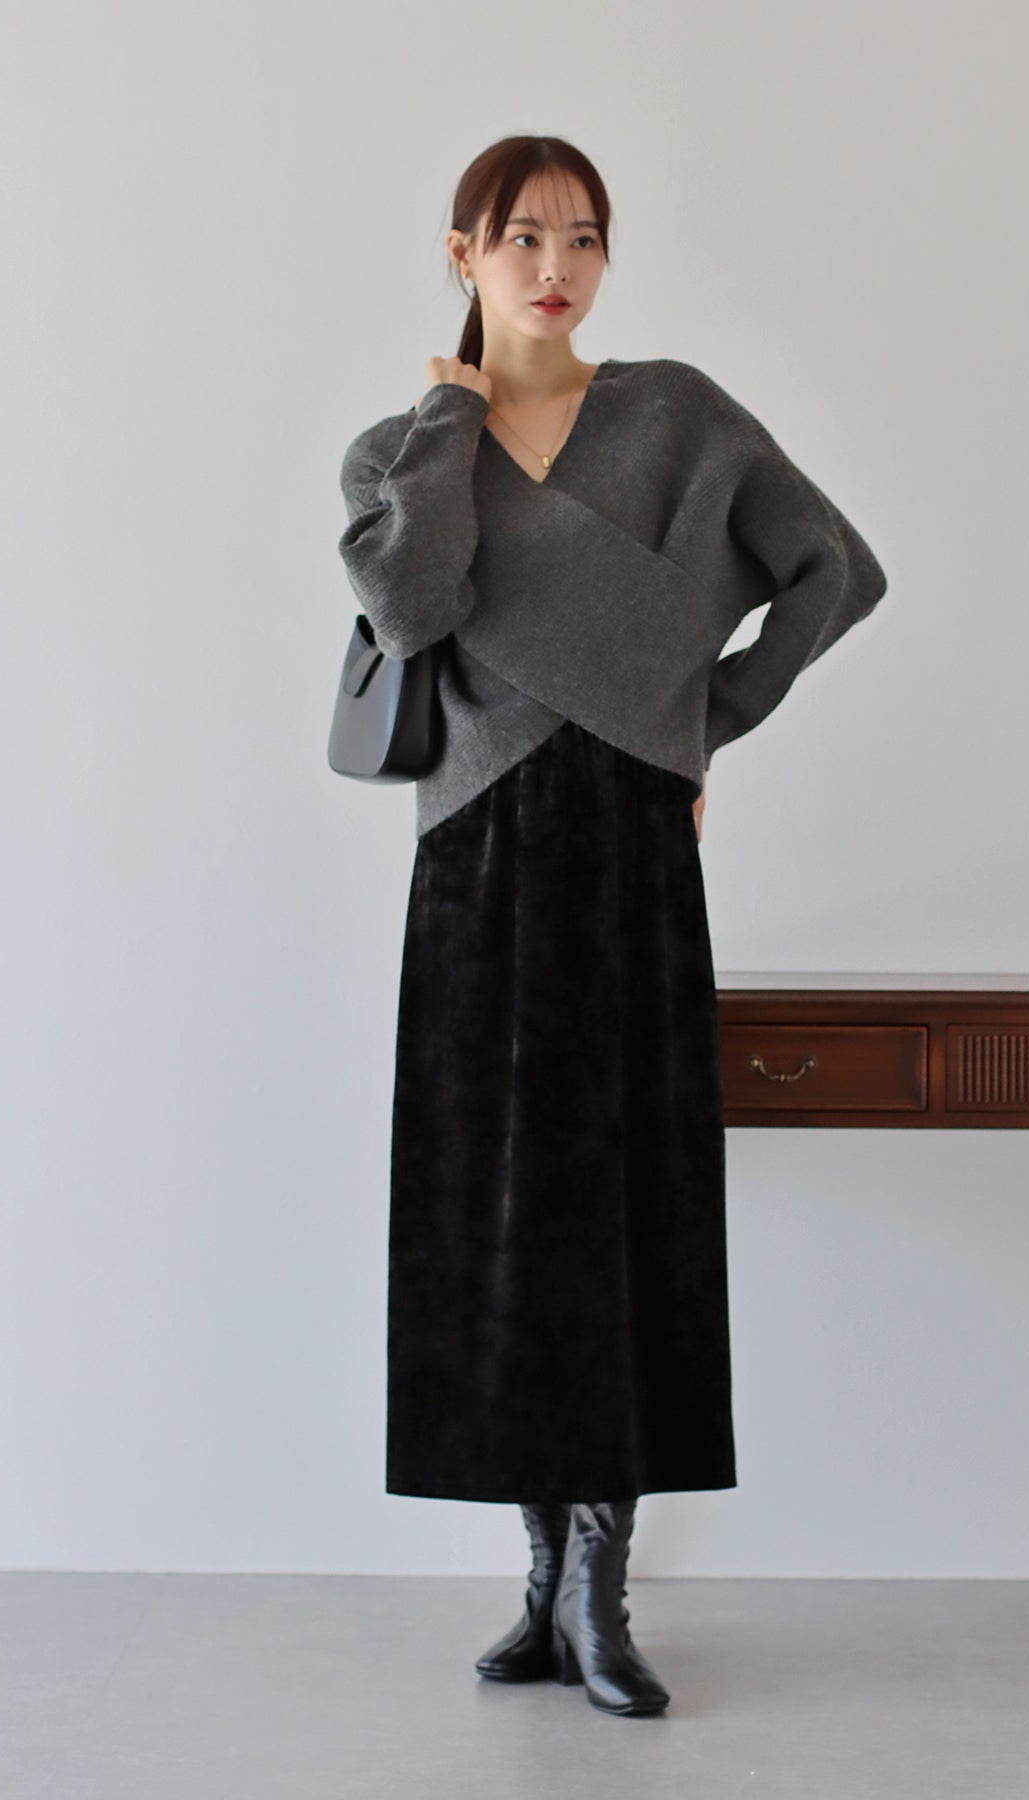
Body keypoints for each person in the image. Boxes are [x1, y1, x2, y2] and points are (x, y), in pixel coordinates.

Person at [337, 135, 889, 1719]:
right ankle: (535, 1579)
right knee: (491, 1210)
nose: (556, 265)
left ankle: (600, 1587)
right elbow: (411, 608)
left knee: (622, 1204)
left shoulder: (675, 419)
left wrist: (704, 722)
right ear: (463, 253)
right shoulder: (397, 449)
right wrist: (455, 413)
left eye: (583, 236)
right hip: (475, 855)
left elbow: (835, 571)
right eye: (522, 236)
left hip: (629, 857)